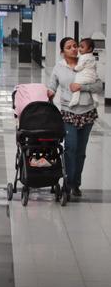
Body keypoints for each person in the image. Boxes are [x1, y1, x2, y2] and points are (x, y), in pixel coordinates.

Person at [47, 37, 102, 197]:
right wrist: (49, 92)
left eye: (75, 46)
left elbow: (98, 85)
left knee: (81, 152)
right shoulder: (59, 67)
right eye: (69, 47)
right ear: (62, 51)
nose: (73, 49)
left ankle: (76, 184)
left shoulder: (87, 62)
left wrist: (82, 87)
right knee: (70, 148)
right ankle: (68, 183)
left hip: (87, 112)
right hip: (68, 112)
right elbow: (52, 86)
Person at [69, 38, 97, 107]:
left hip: (84, 77)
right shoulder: (92, 57)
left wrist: (74, 68)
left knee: (76, 85)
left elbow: (80, 67)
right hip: (92, 77)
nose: (79, 49)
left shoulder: (83, 57)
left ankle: (74, 100)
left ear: (89, 49)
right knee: (93, 90)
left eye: (82, 47)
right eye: (79, 46)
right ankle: (96, 99)